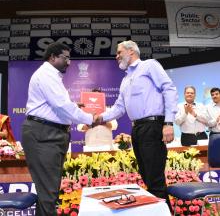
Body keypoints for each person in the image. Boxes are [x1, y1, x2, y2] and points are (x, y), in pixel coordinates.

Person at [95, 40, 178, 209]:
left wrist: (168, 122)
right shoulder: (125, 79)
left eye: (119, 52)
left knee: (155, 180)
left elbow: (169, 89)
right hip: (138, 130)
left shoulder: (149, 66)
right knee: (147, 177)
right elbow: (119, 108)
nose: (116, 56)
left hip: (153, 126)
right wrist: (98, 118)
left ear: (131, 51)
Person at [21, 42, 95, 216]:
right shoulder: (47, 75)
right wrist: (91, 119)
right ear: (52, 57)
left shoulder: (51, 75)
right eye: (65, 58)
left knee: (49, 192)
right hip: (43, 134)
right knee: (49, 193)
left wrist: (72, 106)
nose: (69, 62)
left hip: (49, 134)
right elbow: (61, 105)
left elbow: (56, 105)